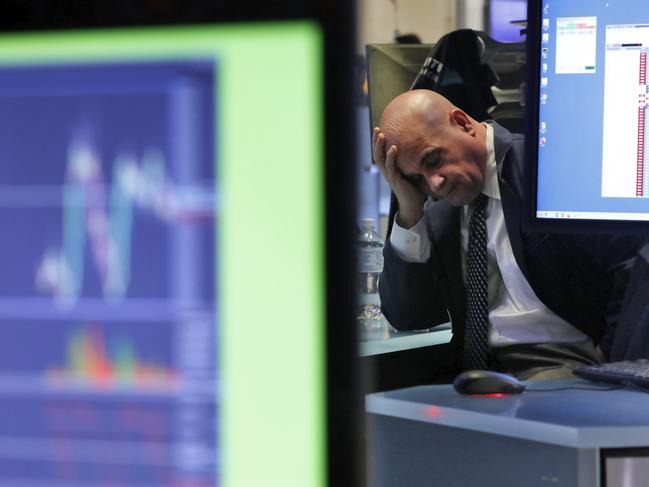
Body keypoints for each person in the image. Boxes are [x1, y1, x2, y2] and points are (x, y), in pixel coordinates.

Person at [373, 89, 641, 380]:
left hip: (567, 364)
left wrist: (615, 368)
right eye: (415, 178)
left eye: (433, 159)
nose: (434, 184)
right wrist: (410, 208)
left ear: (462, 123)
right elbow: (409, 315)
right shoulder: (438, 211)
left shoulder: (550, 165)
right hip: (475, 376)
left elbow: (631, 271)